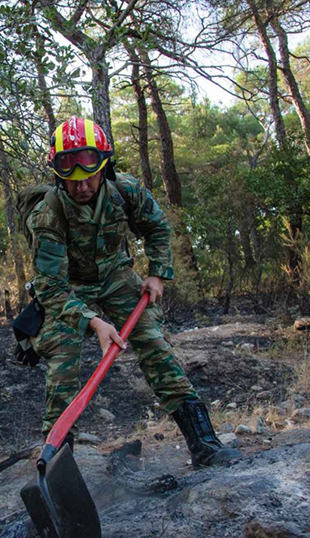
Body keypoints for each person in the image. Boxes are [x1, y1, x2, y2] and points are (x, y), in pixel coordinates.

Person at [26, 116, 240, 467]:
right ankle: (57, 463)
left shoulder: (125, 190)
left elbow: (157, 227)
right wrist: (93, 323)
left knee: (155, 344)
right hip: (70, 289)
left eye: (90, 176)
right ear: (58, 175)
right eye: (72, 179)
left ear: (104, 167)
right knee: (63, 362)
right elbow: (51, 286)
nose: (82, 187)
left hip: (115, 274)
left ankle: (204, 444)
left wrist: (157, 273)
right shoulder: (47, 214)